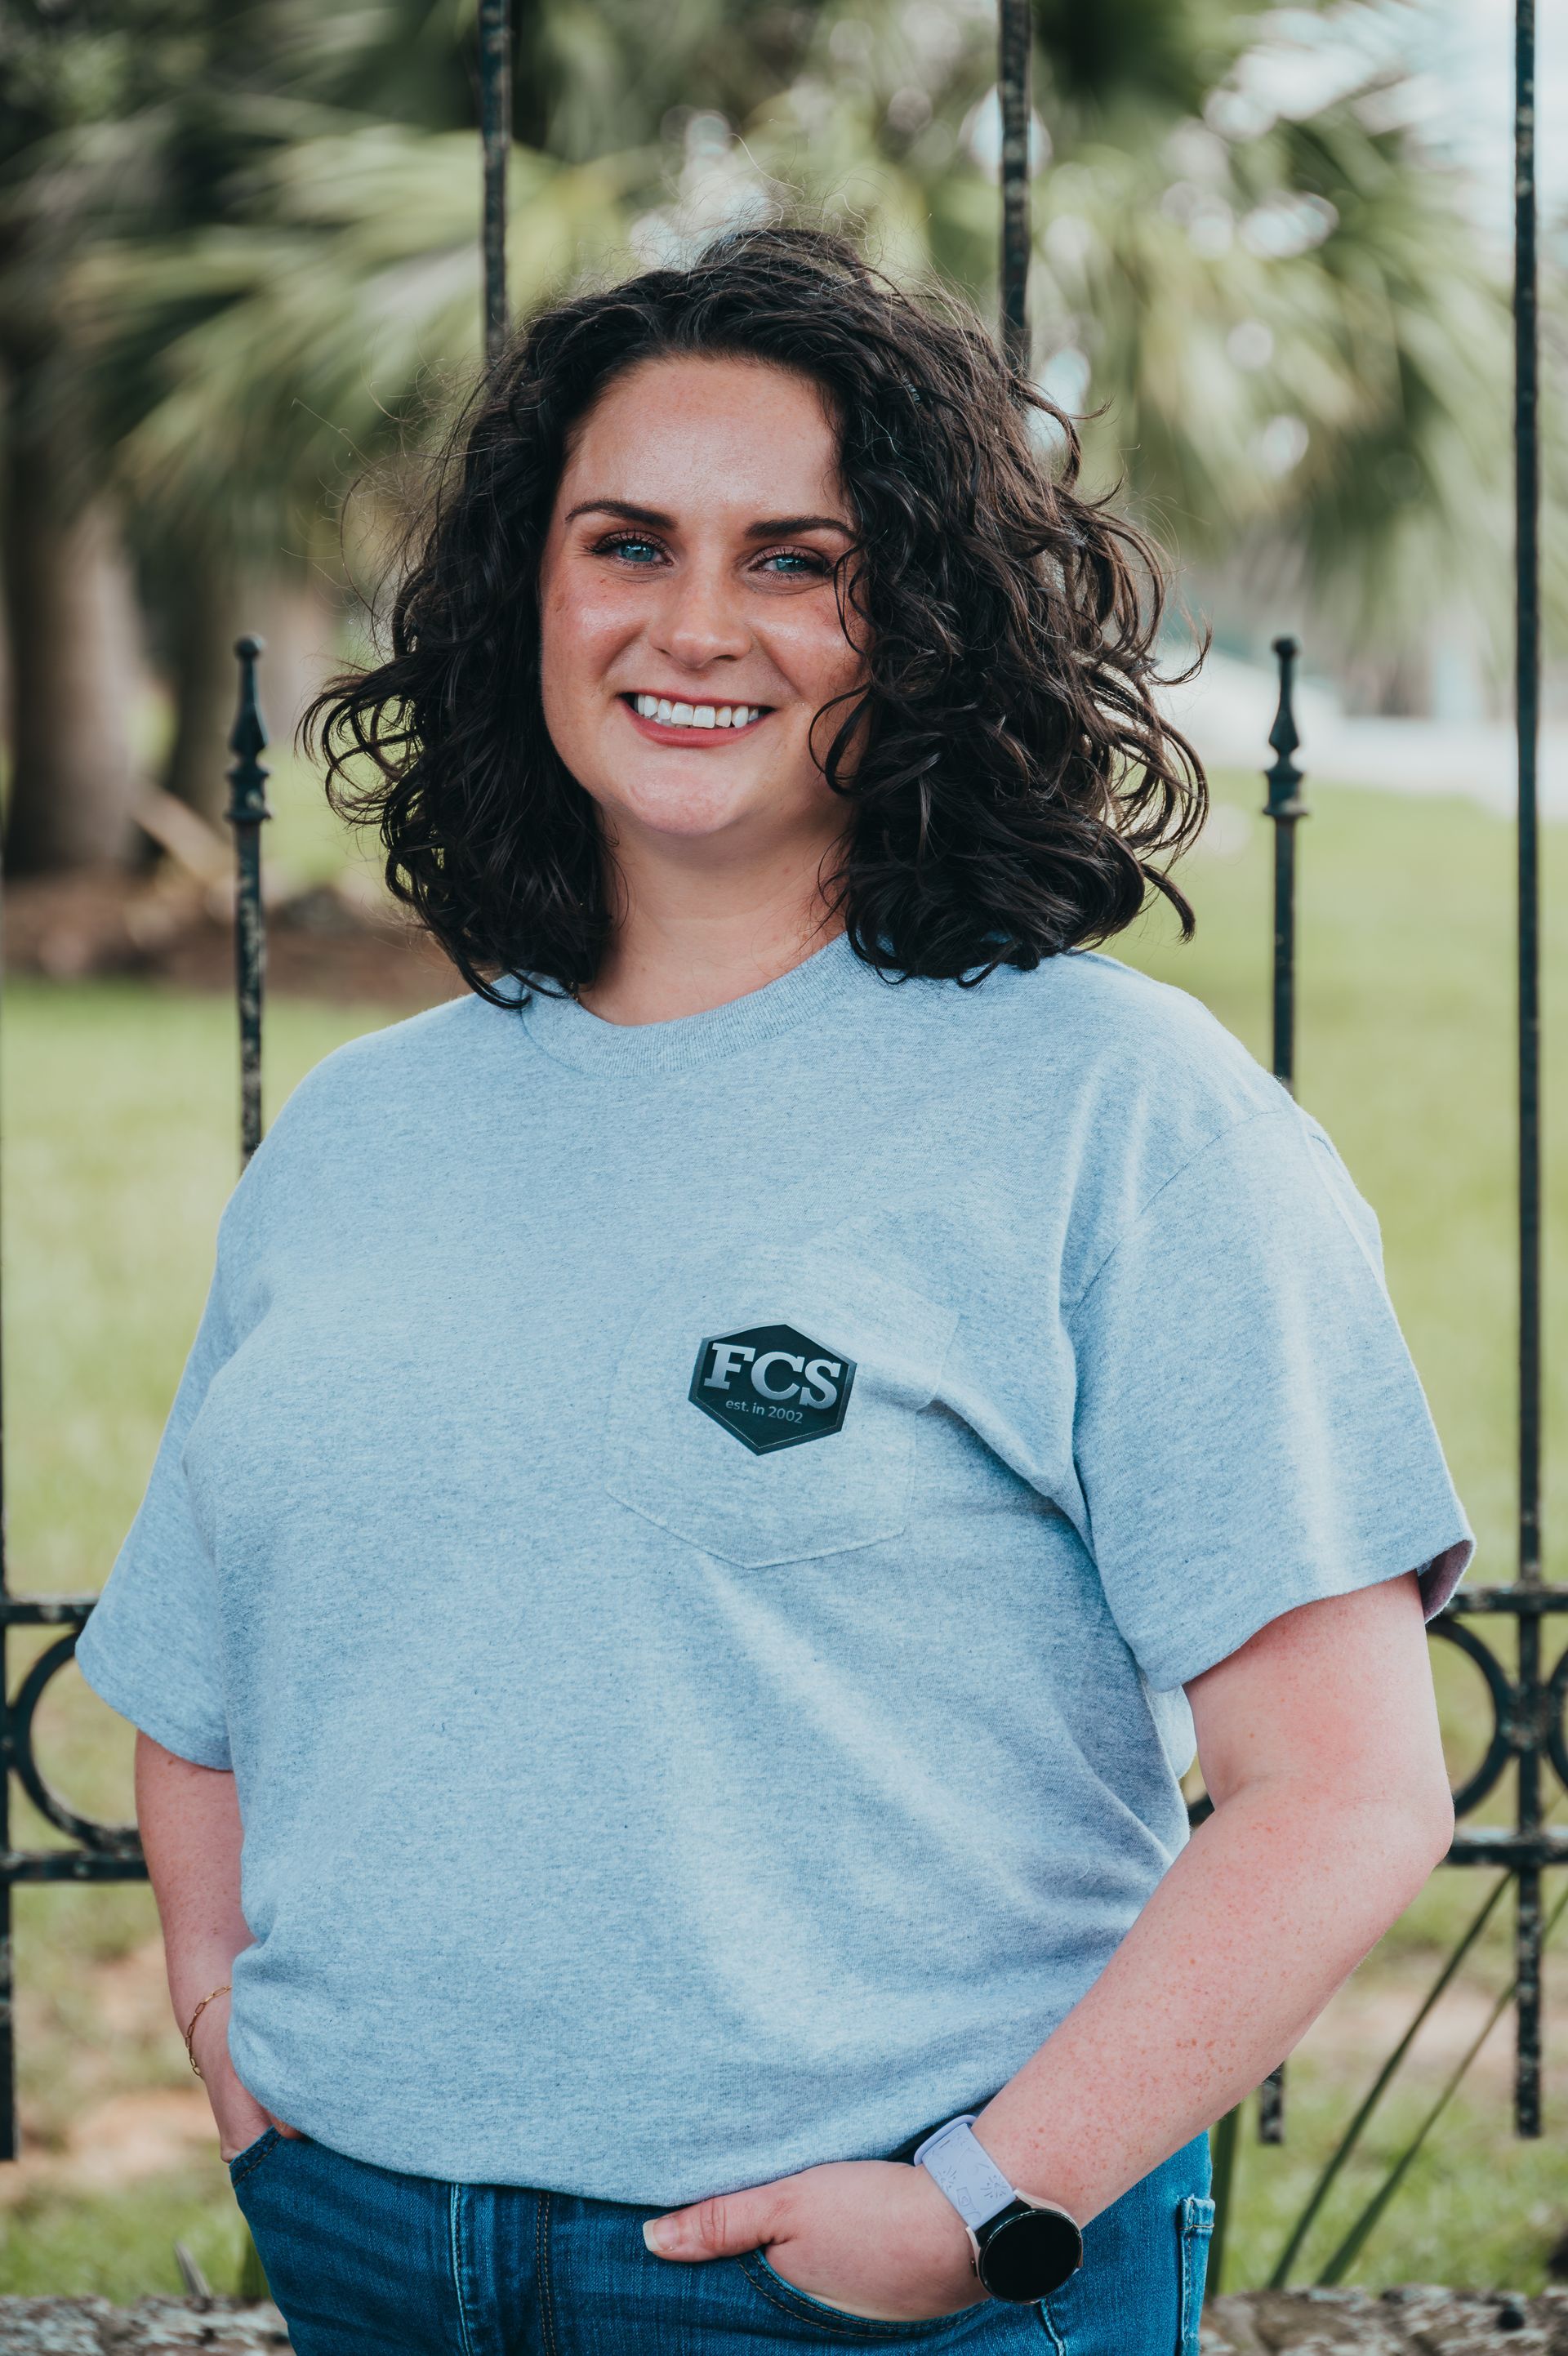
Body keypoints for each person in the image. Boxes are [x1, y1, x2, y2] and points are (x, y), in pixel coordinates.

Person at [76, 227, 1472, 2356]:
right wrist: (217, 2011)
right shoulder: (361, 1134)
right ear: (525, 596)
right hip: (364, 2245)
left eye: (798, 559)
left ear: (920, 623)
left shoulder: (1119, 1117)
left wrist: (988, 2205)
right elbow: (203, 1680)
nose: (695, 624)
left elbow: (1350, 1787)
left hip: (868, 2291)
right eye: (625, 542)